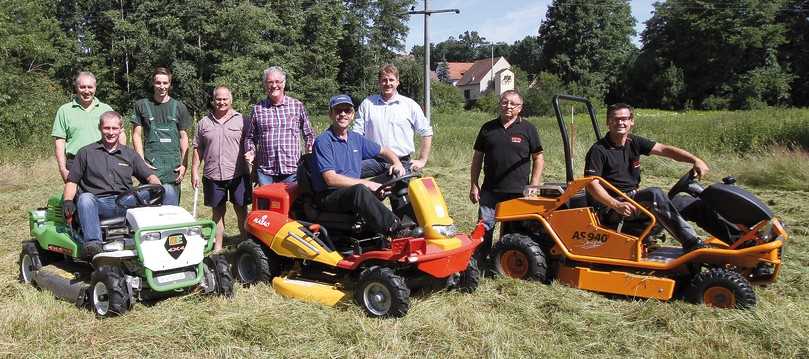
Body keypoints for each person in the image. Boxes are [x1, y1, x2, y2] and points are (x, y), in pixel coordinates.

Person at [584, 103, 707, 252]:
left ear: (632, 121)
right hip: (613, 209)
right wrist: (615, 204)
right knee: (654, 194)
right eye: (615, 119)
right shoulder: (599, 150)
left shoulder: (633, 141)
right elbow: (592, 184)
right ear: (608, 122)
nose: (620, 123)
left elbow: (664, 149)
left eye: (624, 119)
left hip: (634, 199)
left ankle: (736, 240)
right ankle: (693, 244)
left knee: (689, 204)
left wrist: (695, 160)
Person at [62, 111, 160, 259]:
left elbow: (150, 176)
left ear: (121, 129)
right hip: (99, 203)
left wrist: (157, 185)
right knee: (85, 198)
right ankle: (93, 244)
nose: (111, 132)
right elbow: (72, 181)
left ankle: (167, 233)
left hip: (126, 201)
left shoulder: (129, 154)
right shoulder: (86, 153)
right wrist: (68, 200)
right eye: (107, 128)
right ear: (100, 128)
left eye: (115, 128)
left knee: (168, 190)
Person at [310, 94, 410, 237]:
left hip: (352, 192)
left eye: (347, 110)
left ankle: (411, 222)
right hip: (329, 196)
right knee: (359, 190)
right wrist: (368, 184)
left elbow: (384, 150)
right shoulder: (323, 141)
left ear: (352, 115)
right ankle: (395, 229)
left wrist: (397, 163)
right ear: (330, 114)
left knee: (396, 177)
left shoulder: (356, 139)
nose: (343, 114)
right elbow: (330, 179)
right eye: (338, 110)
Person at [469, 90, 544, 261]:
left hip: (518, 192)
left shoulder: (528, 129)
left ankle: (506, 261)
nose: (508, 106)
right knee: (485, 227)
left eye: (513, 103)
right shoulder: (488, 128)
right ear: (500, 104)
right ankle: (480, 261)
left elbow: (538, 158)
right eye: (504, 102)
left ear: (520, 108)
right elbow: (477, 158)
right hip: (490, 190)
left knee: (516, 231)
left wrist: (533, 185)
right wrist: (474, 184)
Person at [352, 64, 433, 218]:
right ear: (378, 83)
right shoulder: (368, 104)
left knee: (402, 206)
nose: (387, 83)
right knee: (346, 175)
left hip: (401, 162)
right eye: (384, 80)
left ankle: (402, 230)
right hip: (374, 160)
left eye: (391, 80)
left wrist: (422, 160)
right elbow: (356, 135)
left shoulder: (409, 105)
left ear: (397, 82)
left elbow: (427, 132)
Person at [191, 86, 250, 252]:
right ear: (213, 100)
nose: (221, 102)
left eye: (225, 99)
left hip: (238, 174)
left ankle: (245, 243)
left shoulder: (242, 121)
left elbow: (250, 145)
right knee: (217, 212)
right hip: (213, 175)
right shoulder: (204, 123)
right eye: (218, 99)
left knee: (241, 211)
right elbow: (198, 148)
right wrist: (194, 171)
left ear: (231, 100)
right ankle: (218, 246)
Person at [131, 67, 193, 206]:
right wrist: (141, 163)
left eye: (165, 83)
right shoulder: (141, 105)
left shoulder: (179, 107)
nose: (162, 86)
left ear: (170, 84)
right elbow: (136, 135)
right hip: (150, 166)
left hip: (173, 167)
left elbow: (184, 137)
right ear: (153, 83)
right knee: (148, 208)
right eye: (158, 83)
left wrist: (184, 165)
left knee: (171, 208)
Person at [244, 66, 315, 185]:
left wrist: (310, 147)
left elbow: (309, 134)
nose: (274, 85)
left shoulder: (297, 106)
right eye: (270, 82)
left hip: (292, 171)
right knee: (267, 204)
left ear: (284, 83)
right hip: (266, 172)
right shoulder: (258, 109)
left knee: (292, 204)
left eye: (278, 82)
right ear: (265, 85)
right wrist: (251, 151)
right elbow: (250, 137)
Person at [52, 71, 126, 183]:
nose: (86, 91)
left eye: (90, 87)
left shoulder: (106, 109)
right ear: (76, 88)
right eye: (82, 87)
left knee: (105, 197)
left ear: (95, 88)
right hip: (75, 163)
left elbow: (120, 134)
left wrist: (119, 159)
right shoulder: (64, 111)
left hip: (103, 161)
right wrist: (62, 169)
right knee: (76, 198)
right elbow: (60, 142)